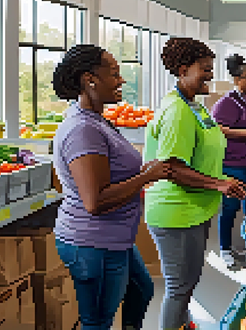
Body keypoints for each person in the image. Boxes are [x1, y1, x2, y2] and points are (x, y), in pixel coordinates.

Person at [52, 44, 166, 330]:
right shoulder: (83, 130)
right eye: (114, 74)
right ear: (90, 79)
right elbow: (95, 201)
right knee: (98, 322)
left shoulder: (96, 120)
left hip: (114, 240)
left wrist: (143, 174)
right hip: (93, 244)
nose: (122, 80)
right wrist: (145, 177)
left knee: (141, 291)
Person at [144, 37, 246, 330]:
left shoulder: (193, 107)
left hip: (194, 209)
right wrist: (219, 184)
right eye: (204, 69)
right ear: (182, 69)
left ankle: (184, 325)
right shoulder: (177, 110)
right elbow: (172, 167)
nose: (210, 74)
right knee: (179, 287)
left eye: (211, 68)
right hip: (175, 211)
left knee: (188, 282)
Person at [211, 54, 246, 270]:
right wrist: (242, 134)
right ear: (236, 79)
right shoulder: (226, 103)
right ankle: (225, 249)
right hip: (234, 164)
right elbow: (217, 129)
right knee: (230, 206)